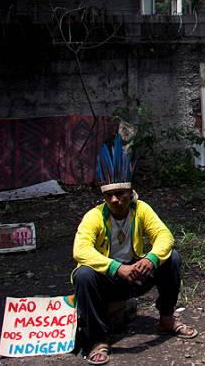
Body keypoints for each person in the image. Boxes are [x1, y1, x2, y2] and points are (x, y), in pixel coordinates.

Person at [71, 136, 197, 365]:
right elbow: (80, 250)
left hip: (136, 272)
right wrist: (116, 268)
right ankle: (98, 340)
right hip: (109, 278)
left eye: (120, 193)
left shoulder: (141, 209)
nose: (115, 199)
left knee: (172, 259)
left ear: (131, 192)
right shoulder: (94, 216)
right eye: (109, 195)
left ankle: (167, 319)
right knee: (83, 274)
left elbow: (164, 236)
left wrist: (151, 259)